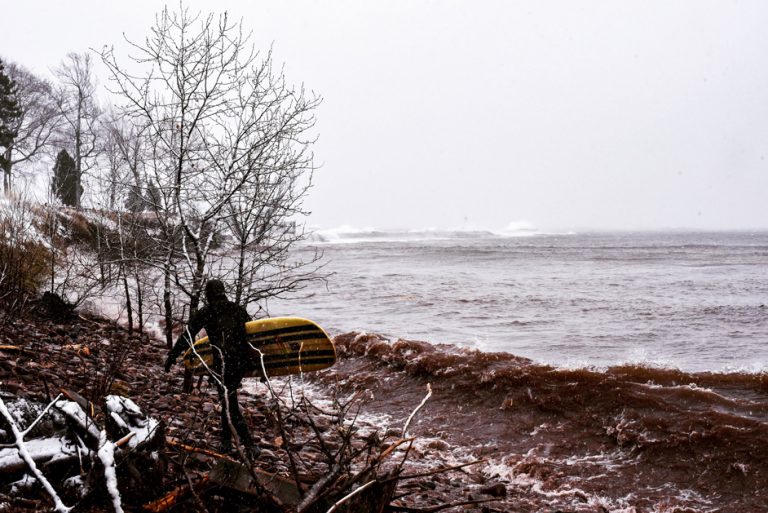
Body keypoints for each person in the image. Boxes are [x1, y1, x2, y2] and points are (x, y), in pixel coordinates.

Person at [164, 279, 257, 455]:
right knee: (228, 400)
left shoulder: (207, 312)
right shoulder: (237, 310)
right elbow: (252, 337)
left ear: (208, 294)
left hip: (223, 363)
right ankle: (228, 442)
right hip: (239, 362)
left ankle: (248, 444)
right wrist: (259, 366)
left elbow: (188, 336)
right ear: (223, 291)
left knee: (229, 403)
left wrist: (172, 356)